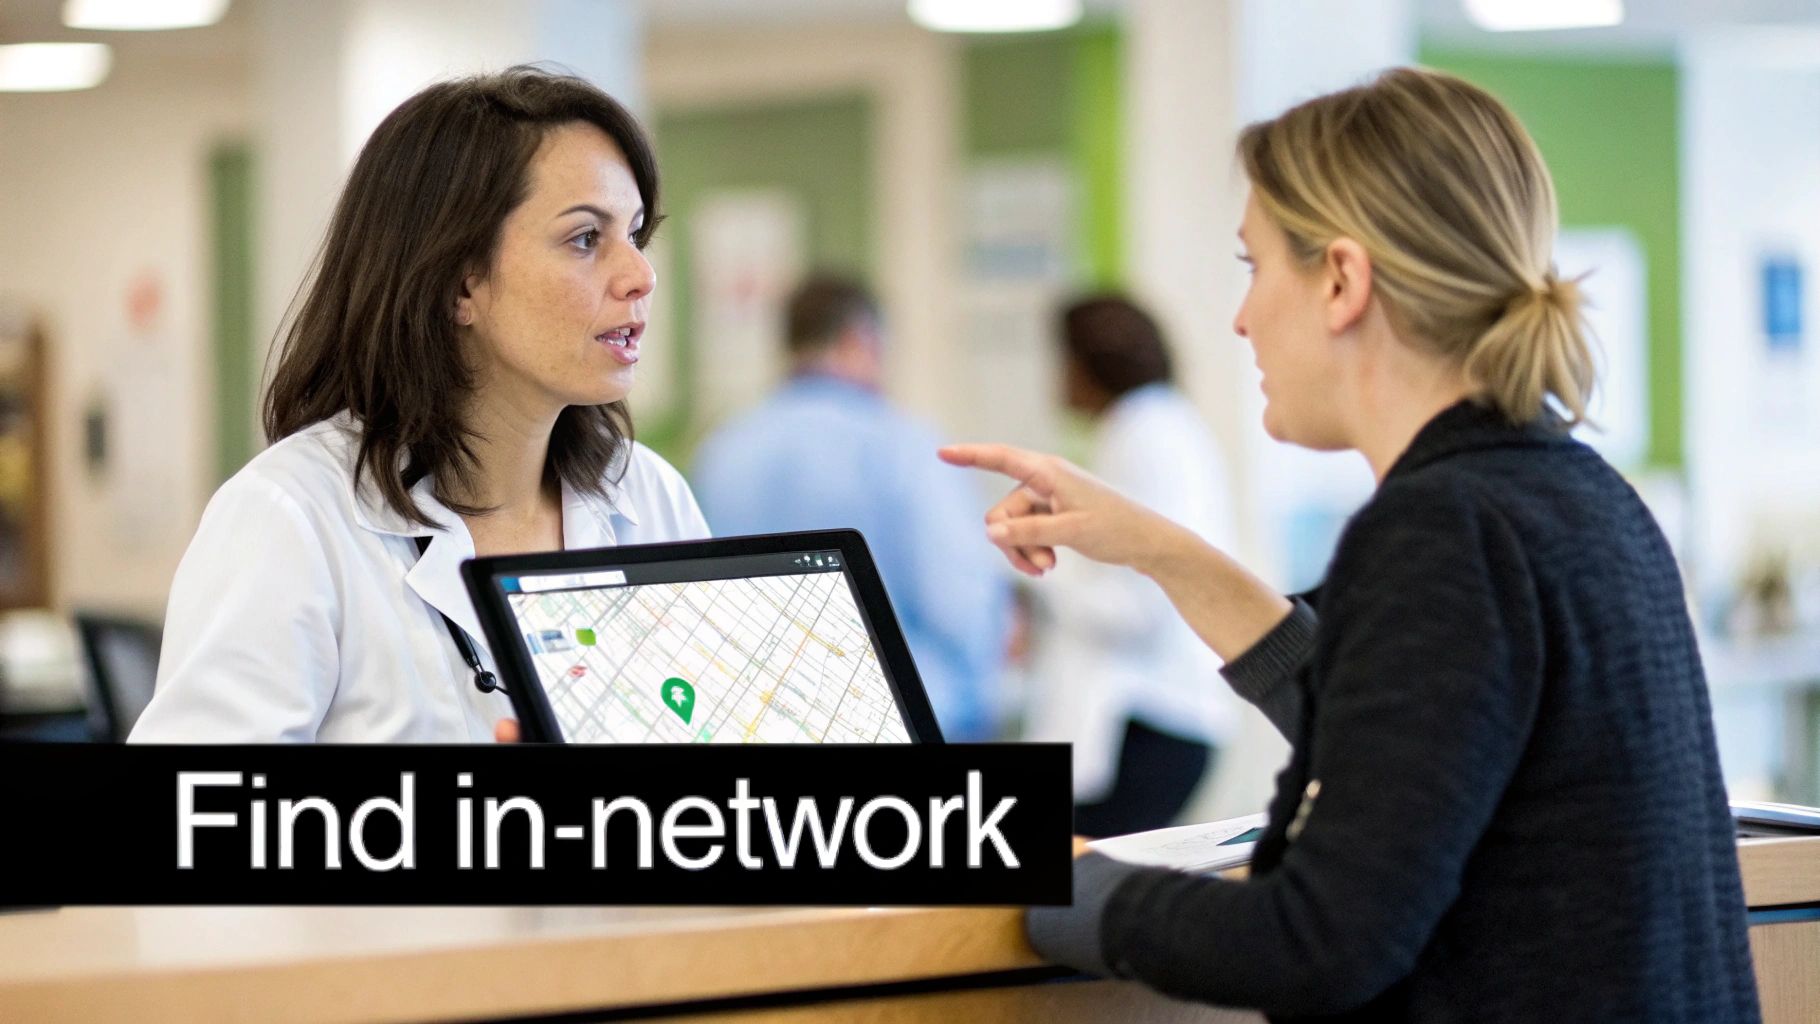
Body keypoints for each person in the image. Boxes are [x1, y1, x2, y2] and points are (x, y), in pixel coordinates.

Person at [942, 68, 1759, 1021]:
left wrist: (1060, 880)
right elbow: (1398, 737)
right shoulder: (1570, 495)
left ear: (1340, 280)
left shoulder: (1442, 529)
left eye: (1253, 267)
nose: (1241, 318)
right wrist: (1155, 547)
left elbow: (1313, 943)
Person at [131, 67, 709, 743]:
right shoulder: (290, 518)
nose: (641, 275)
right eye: (586, 239)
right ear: (459, 284)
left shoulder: (649, 497)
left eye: (636, 235)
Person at [691, 276, 1009, 741]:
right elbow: (959, 600)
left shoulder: (722, 450)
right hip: (900, 721)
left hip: (759, 724)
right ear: (860, 338)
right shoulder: (903, 446)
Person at [1028, 295, 1236, 835]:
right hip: (1167, 715)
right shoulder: (1161, 425)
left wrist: (1037, 571)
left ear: (1088, 363)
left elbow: (1140, 604)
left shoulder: (1142, 434)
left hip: (1149, 717)